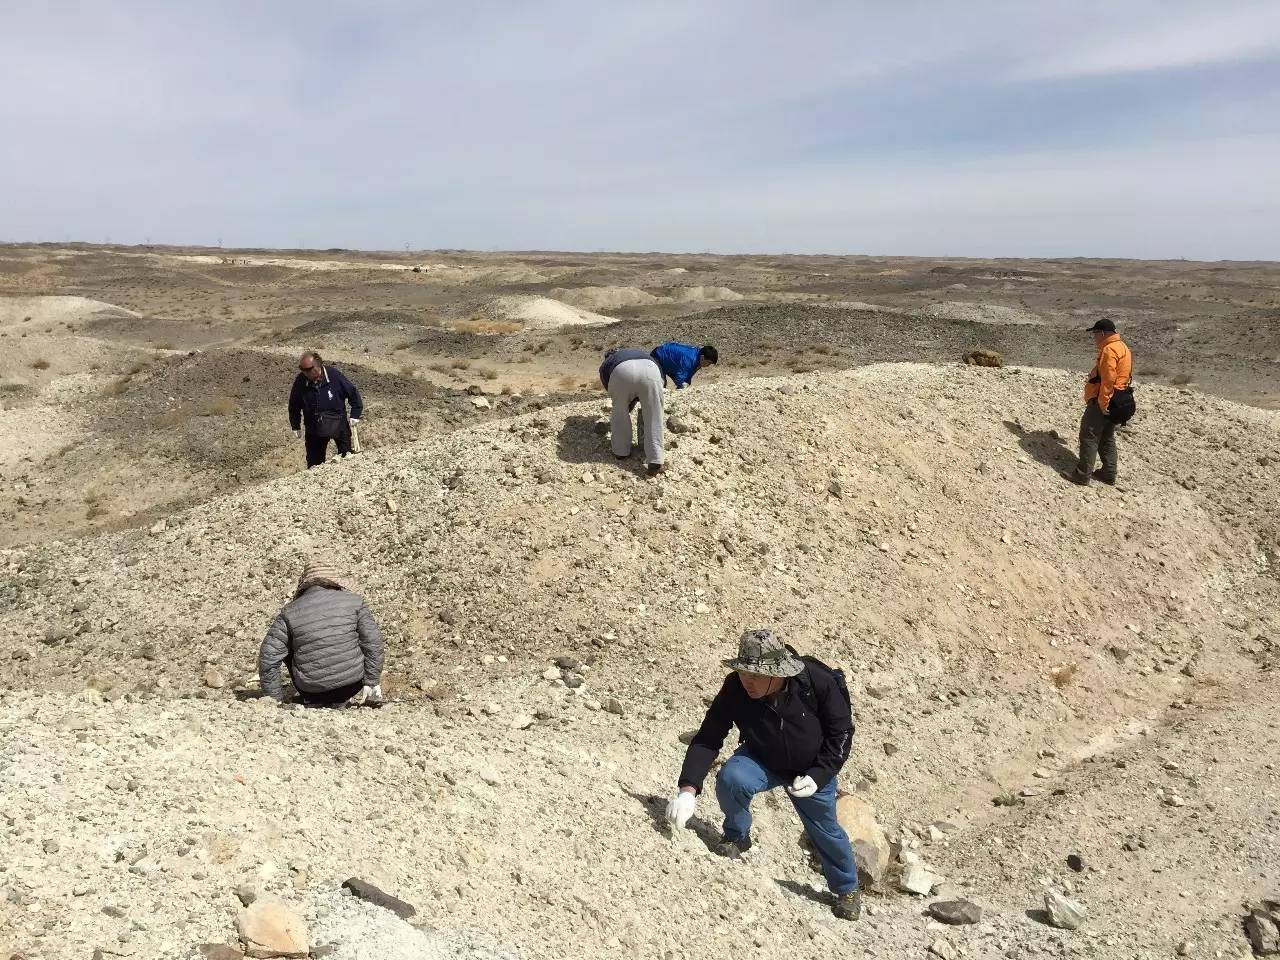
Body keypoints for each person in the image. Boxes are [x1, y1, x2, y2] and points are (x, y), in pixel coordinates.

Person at [665, 629, 861, 921]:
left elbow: (841, 732)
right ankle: (736, 836)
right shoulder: (735, 688)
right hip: (762, 757)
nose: (748, 681)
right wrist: (687, 789)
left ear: (779, 673)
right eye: (744, 672)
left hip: (810, 770)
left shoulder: (815, 682)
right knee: (732, 779)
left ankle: (847, 888)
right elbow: (708, 738)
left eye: (756, 675)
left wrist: (819, 774)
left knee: (824, 827)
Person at [258, 561, 385, 707]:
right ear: (335, 584)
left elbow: (268, 658)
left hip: (311, 691)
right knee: (360, 637)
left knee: (287, 644)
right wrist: (371, 681)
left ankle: (312, 699)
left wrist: (274, 699)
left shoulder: (289, 612)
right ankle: (343, 698)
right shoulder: (355, 602)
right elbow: (373, 643)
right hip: (352, 685)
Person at [1065, 318, 1134, 486]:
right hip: (1120, 398)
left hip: (1105, 399)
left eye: (1095, 334)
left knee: (1089, 434)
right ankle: (1109, 473)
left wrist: (1103, 404)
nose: (1094, 338)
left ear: (1102, 333)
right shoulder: (1123, 347)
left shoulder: (1109, 350)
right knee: (1107, 436)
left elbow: (1108, 380)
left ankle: (1082, 475)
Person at [288, 351, 364, 468]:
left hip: (338, 422)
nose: (304, 373)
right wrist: (295, 425)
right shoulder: (301, 381)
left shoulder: (334, 376)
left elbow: (352, 393)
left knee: (346, 457)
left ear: (317, 366)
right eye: (302, 369)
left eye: (307, 369)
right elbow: (294, 405)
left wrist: (355, 414)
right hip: (314, 427)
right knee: (314, 465)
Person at [599, 347, 666, 476]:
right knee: (654, 415)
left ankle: (621, 451)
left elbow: (609, 385)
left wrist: (624, 404)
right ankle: (656, 459)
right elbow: (661, 378)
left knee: (619, 413)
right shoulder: (643, 353)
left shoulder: (608, 362)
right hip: (651, 370)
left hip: (620, 373)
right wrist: (646, 399)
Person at [650, 342, 718, 390]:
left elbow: (688, 375)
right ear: (703, 357)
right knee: (661, 385)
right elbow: (680, 377)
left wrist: (686, 384)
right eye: (709, 362)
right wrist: (683, 387)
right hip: (658, 356)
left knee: (683, 386)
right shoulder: (690, 359)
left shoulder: (697, 358)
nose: (709, 365)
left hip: (669, 363)